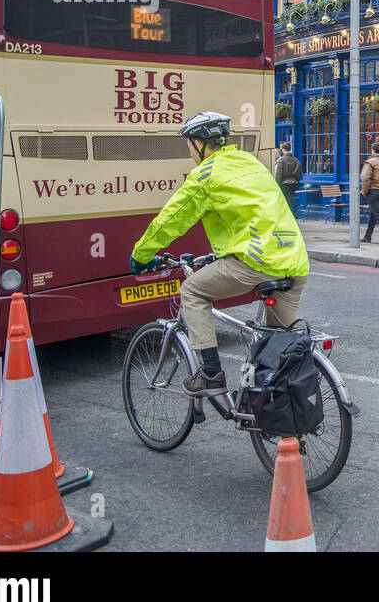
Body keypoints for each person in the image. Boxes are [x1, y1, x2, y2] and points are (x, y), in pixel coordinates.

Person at [129, 111, 309, 397]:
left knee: (192, 291)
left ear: (200, 143)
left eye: (189, 144)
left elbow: (171, 219)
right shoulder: (250, 162)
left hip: (257, 261)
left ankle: (211, 373)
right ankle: (273, 412)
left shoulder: (206, 174)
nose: (189, 150)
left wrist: (141, 254)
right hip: (295, 261)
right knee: (278, 346)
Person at [273, 142, 302, 214]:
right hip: (293, 183)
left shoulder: (281, 160)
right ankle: (291, 217)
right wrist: (296, 181)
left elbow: (279, 174)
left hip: (283, 183)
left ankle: (284, 218)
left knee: (282, 202)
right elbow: (299, 173)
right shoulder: (296, 160)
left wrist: (277, 184)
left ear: (283, 150)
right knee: (290, 201)